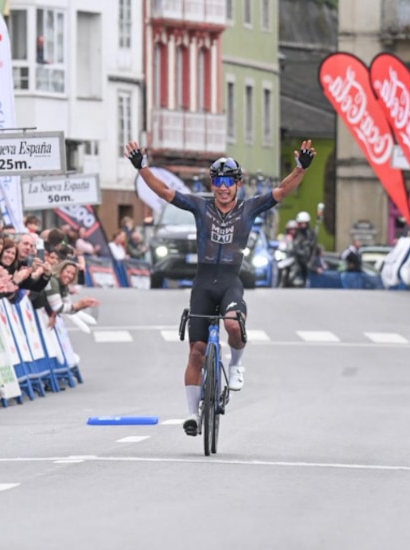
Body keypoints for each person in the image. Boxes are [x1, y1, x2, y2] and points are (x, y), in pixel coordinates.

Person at [125, 138, 315, 437]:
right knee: (196, 353)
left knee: (233, 325)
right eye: (218, 181)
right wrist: (142, 167)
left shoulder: (249, 208)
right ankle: (192, 414)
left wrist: (301, 168)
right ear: (212, 184)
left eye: (228, 181)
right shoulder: (200, 206)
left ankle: (237, 364)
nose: (223, 187)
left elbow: (282, 191)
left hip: (229, 282)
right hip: (202, 284)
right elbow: (164, 191)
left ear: (238, 185)